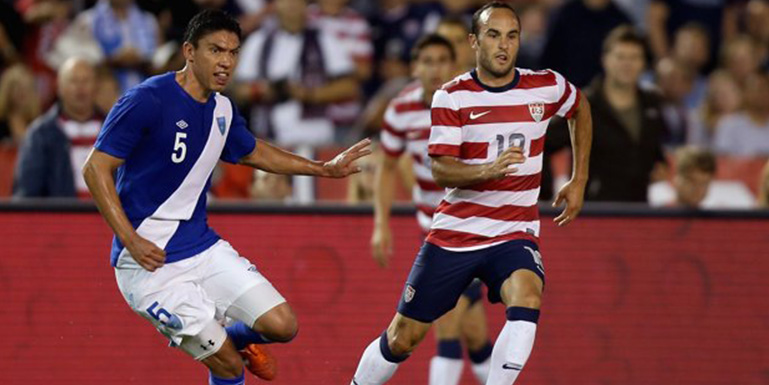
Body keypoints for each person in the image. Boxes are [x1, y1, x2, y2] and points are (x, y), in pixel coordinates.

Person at [82, 10, 371, 385]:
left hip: (201, 248)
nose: (226, 62)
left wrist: (321, 168)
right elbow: (94, 169)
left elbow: (252, 151)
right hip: (147, 266)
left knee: (283, 325)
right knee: (230, 368)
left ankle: (230, 340)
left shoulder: (222, 108)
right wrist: (131, 239)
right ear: (189, 51)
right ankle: (225, 352)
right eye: (216, 50)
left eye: (233, 53)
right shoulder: (147, 100)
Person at [351, 3, 592, 385]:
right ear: (474, 42)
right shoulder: (452, 96)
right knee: (403, 337)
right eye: (493, 35)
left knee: (528, 295)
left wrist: (579, 179)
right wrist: (488, 170)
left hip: (514, 231)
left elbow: (580, 108)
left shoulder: (546, 85)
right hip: (455, 235)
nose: (503, 45)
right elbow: (441, 167)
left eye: (512, 36)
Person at [372, 34, 493, 385]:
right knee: (473, 333)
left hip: (474, 225)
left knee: (447, 323)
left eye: (442, 60)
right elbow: (387, 165)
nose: (434, 68)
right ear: (414, 67)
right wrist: (381, 223)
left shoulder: (473, 104)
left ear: (454, 64)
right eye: (427, 61)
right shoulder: (401, 109)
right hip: (434, 227)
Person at [233, 0, 359, 148]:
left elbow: (349, 86)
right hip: (267, 140)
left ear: (306, 6)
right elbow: (238, 89)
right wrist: (264, 90)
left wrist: (308, 94)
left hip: (314, 138)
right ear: (276, 5)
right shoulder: (259, 40)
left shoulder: (323, 39)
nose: (291, 5)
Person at [584, 25, 668, 202]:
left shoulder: (652, 103)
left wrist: (660, 165)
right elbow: (545, 143)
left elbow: (655, 150)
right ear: (605, 59)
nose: (627, 64)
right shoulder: (583, 105)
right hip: (593, 213)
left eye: (634, 57)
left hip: (638, 210)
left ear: (643, 63)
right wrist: (546, 192)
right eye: (620, 57)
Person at [14, 58, 102, 198]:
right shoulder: (39, 135)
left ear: (96, 86)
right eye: (73, 81)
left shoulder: (115, 129)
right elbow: (27, 194)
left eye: (86, 81)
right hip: (60, 218)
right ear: (59, 87)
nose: (80, 88)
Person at [713, 72, 769, 156]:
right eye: (755, 90)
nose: (760, 95)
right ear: (744, 93)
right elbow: (723, 160)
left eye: (764, 89)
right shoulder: (728, 124)